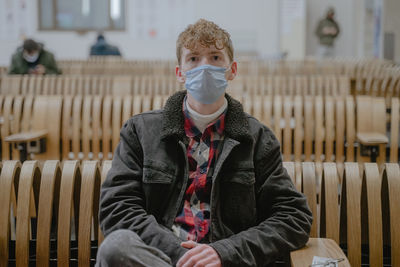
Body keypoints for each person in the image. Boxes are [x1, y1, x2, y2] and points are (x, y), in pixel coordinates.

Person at [96, 19, 312, 267]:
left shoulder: (257, 139)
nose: (205, 67)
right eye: (194, 59)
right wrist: (181, 255)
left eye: (215, 58)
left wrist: (224, 252)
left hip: (225, 261)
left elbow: (293, 217)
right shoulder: (141, 131)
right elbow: (117, 208)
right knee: (116, 247)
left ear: (232, 70)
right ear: (180, 73)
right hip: (163, 259)